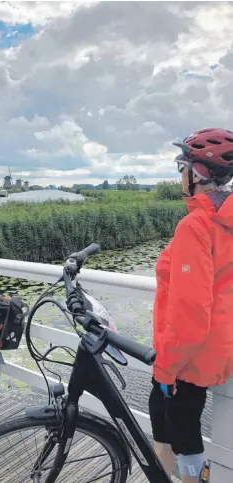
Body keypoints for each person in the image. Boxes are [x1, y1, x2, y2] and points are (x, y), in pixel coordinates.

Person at [148, 128, 233, 483]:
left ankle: (191, 478)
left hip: (190, 356)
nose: (178, 172)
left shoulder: (195, 225)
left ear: (196, 173)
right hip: (217, 346)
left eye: (181, 165)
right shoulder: (223, 220)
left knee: (183, 433)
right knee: (161, 417)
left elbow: (190, 313)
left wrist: (166, 368)